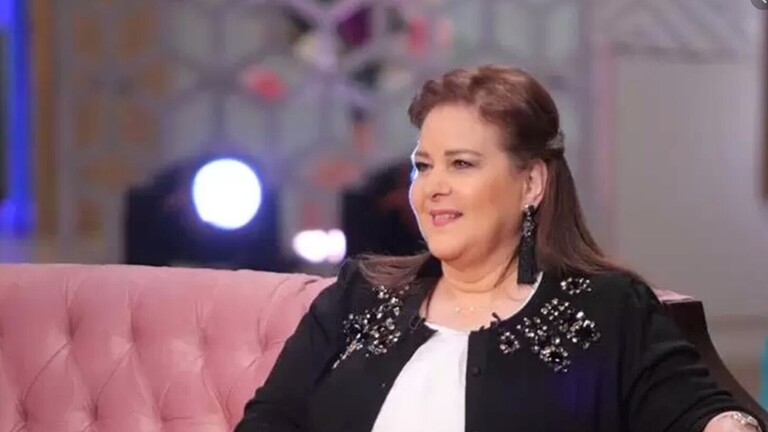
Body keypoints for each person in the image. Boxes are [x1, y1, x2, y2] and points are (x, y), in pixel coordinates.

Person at [234, 65, 765, 432]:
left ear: (531, 183)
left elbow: (699, 410)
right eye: (423, 166)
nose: (431, 187)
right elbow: (269, 420)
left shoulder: (605, 308)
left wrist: (730, 424)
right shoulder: (360, 295)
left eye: (461, 164)